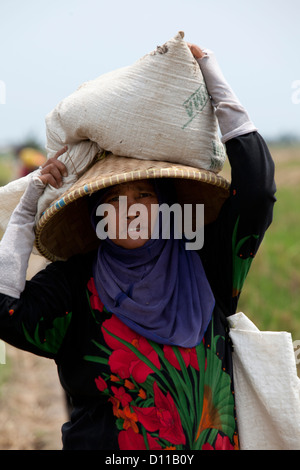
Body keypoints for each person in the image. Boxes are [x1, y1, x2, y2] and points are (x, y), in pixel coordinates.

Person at [0, 43, 276, 450]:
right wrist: (26, 210)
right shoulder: (75, 282)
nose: (128, 210)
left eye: (144, 195)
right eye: (111, 200)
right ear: (95, 214)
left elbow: (256, 192)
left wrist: (213, 77)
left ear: (166, 207)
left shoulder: (205, 263)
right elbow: (6, 311)